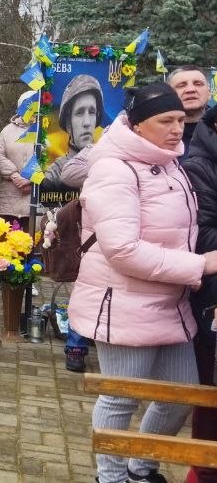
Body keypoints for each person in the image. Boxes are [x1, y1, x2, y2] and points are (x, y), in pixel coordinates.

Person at [68, 82, 217, 483]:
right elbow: (123, 250)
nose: (177, 129)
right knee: (121, 397)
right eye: (165, 121)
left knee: (182, 394)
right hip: (125, 302)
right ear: (136, 125)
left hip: (171, 302)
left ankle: (141, 467)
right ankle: (111, 477)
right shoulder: (114, 169)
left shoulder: (170, 162)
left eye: (180, 120)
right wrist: (199, 265)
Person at [181, 104, 217, 483]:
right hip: (212, 295)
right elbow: (201, 235)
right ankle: (204, 471)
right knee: (210, 390)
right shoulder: (200, 166)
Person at [0, 91, 38, 290]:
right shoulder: (7, 131)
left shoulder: (43, 130)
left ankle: (28, 278)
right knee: (6, 234)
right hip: (10, 191)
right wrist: (15, 175)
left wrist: (30, 179)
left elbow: (47, 157)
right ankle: (1, 276)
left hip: (31, 192)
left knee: (29, 237)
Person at [43, 74, 103, 189]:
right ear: (68, 123)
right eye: (79, 113)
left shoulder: (107, 162)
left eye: (92, 112)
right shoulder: (55, 173)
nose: (87, 122)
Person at [167, 65, 210, 155]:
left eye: (198, 84)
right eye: (181, 85)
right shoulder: (156, 136)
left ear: (209, 93)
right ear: (169, 94)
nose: (190, 90)